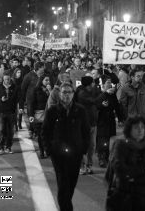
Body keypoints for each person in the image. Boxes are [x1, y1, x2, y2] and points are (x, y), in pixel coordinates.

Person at [42, 82, 90, 211]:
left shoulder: (80, 110)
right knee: (63, 184)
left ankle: (65, 205)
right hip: (58, 153)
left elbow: (86, 132)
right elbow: (45, 131)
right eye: (64, 92)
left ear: (73, 94)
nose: (67, 95)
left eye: (69, 92)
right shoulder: (52, 110)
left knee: (71, 183)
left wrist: (84, 151)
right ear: (59, 94)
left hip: (76, 152)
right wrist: (49, 149)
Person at [106, 116, 145, 211]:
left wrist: (134, 180)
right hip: (123, 195)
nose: (140, 130)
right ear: (129, 129)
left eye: (142, 127)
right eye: (136, 127)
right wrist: (143, 170)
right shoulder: (121, 145)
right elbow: (119, 168)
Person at [96, 76, 124, 168]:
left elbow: (117, 107)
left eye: (110, 82)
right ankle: (101, 158)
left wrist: (120, 119)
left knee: (107, 140)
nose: (109, 84)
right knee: (101, 139)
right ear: (103, 84)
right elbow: (96, 104)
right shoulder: (99, 92)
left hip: (110, 120)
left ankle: (106, 157)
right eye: (107, 82)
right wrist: (105, 94)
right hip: (101, 120)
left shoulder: (112, 94)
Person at [0, 71, 20, 155]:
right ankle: (1, 147)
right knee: (1, 130)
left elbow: (18, 98)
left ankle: (8, 147)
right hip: (1, 111)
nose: (7, 81)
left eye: (8, 79)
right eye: (5, 79)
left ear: (10, 79)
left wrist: (19, 108)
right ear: (3, 79)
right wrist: (0, 99)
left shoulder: (15, 87)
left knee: (10, 131)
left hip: (11, 111)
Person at [28, 75, 51, 158]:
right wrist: (31, 115)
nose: (48, 82)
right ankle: (42, 151)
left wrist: (50, 91)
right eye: (46, 80)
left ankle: (47, 150)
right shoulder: (36, 90)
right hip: (39, 115)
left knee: (47, 134)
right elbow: (32, 103)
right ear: (41, 81)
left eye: (49, 80)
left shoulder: (51, 90)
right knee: (41, 134)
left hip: (49, 114)